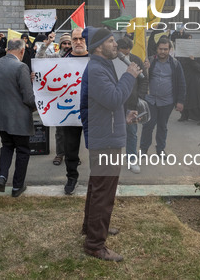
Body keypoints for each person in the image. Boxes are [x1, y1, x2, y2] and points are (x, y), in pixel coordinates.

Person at [81, 27, 142, 262]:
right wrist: (130, 75)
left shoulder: (101, 66)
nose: (115, 44)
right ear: (98, 47)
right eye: (110, 41)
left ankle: (93, 229)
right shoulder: (97, 69)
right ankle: (95, 244)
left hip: (107, 133)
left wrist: (122, 118)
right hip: (105, 140)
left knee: (98, 188)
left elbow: (106, 104)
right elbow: (114, 97)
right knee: (104, 193)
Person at [37, 29, 88, 195]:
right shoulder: (62, 58)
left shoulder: (95, 59)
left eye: (82, 38)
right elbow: (40, 62)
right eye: (75, 39)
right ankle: (71, 178)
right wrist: (46, 44)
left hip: (92, 113)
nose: (78, 42)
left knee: (96, 149)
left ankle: (98, 180)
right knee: (70, 148)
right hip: (69, 112)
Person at [0, 39, 36, 197]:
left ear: (7, 49)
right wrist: (38, 107)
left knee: (7, 147)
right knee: (23, 151)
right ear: (22, 51)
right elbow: (28, 98)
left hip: (2, 117)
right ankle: (17, 187)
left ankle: (2, 177)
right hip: (19, 118)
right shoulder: (21, 66)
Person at [139, 37, 186, 155]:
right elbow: (141, 79)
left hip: (167, 101)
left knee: (162, 126)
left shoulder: (175, 64)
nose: (163, 52)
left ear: (170, 49)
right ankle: (143, 149)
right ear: (157, 49)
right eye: (161, 49)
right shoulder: (150, 61)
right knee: (148, 125)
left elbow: (182, 83)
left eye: (165, 49)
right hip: (151, 100)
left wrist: (180, 101)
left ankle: (160, 149)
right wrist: (144, 70)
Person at [36, 32, 73, 166]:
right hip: (58, 97)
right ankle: (60, 154)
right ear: (60, 44)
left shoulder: (78, 57)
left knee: (74, 129)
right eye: (64, 43)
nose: (67, 46)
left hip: (74, 97)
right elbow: (39, 58)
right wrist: (47, 44)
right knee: (60, 129)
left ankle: (72, 155)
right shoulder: (55, 56)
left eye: (69, 43)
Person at [114, 37, 148, 173]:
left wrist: (139, 97)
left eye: (127, 53)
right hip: (115, 103)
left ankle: (132, 159)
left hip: (131, 104)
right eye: (123, 53)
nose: (125, 56)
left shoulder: (136, 60)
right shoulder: (111, 61)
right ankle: (112, 161)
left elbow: (144, 80)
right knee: (114, 133)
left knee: (132, 133)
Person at [176, 33, 200, 125]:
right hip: (185, 78)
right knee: (185, 96)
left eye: (190, 39)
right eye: (187, 40)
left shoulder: (198, 54)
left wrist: (192, 60)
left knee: (198, 98)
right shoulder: (180, 54)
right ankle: (184, 115)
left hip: (195, 79)